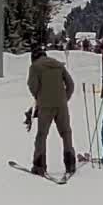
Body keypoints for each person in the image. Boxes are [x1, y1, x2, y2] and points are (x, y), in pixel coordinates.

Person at [25, 46, 76, 176]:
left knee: (42, 135)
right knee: (66, 133)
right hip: (61, 105)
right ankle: (70, 164)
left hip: (45, 106)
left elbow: (32, 85)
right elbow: (70, 84)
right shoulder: (59, 65)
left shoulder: (35, 67)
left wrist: (40, 98)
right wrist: (64, 98)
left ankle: (39, 166)